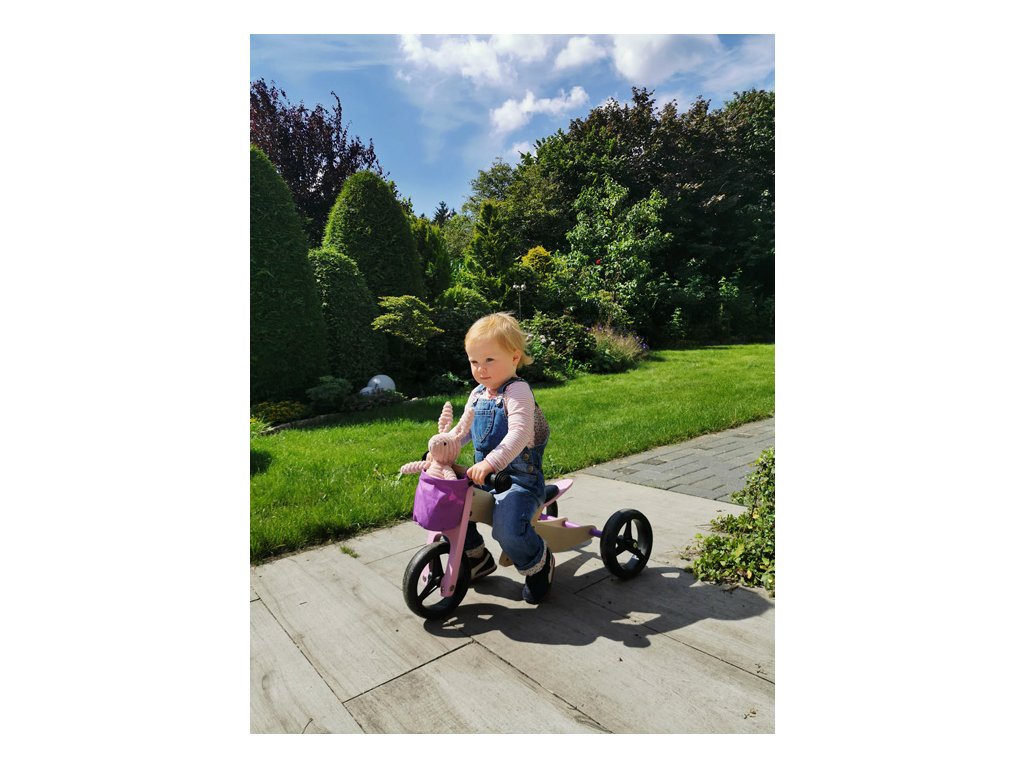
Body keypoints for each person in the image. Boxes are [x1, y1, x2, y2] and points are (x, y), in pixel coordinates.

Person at [453, 312, 554, 604]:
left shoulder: (518, 392)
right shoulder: (477, 394)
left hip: (519, 481)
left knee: (508, 530)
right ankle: (476, 557)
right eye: (474, 361)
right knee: (449, 505)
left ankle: (538, 563)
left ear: (514, 357)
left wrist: (489, 463)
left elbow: (519, 435)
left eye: (489, 360)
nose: (481, 369)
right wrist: (445, 447)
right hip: (486, 477)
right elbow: (462, 431)